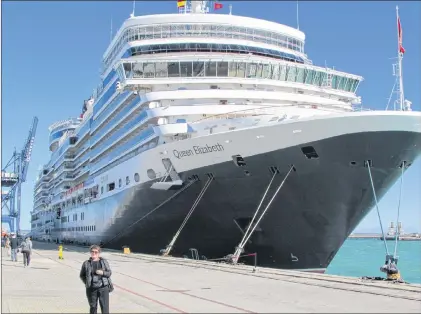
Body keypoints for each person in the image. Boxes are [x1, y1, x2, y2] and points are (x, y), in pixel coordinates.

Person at [79, 245, 113, 314]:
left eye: (96, 252)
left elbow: (109, 273)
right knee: (93, 307)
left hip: (103, 287)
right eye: (92, 252)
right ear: (90, 252)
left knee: (105, 308)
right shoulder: (86, 263)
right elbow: (82, 275)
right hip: (92, 289)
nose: (94, 253)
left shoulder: (103, 262)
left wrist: (103, 272)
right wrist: (87, 282)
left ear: (99, 253)